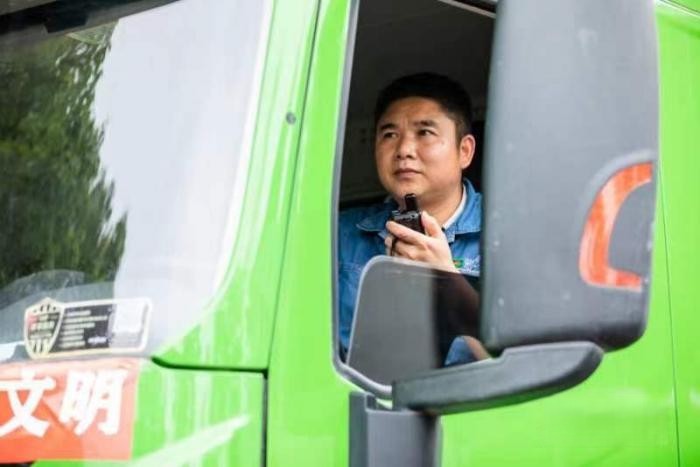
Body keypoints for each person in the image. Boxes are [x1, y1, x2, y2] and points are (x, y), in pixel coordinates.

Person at [338, 72, 487, 365]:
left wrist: (447, 282)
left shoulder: (508, 233)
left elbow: (529, 365)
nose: (404, 150)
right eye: (389, 135)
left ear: (465, 151)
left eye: (425, 133)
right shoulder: (338, 236)